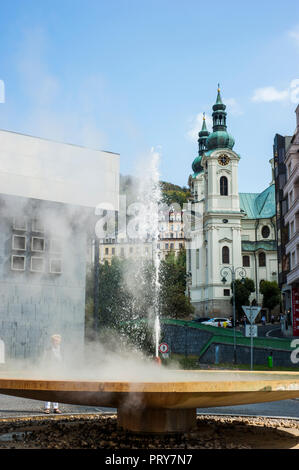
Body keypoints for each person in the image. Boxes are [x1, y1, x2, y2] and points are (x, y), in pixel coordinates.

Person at [44, 334, 62, 414]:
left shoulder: (62, 349)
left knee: (56, 389)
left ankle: (56, 408)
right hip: (49, 370)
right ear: (52, 341)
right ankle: (47, 408)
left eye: (57, 340)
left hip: (58, 370)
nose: (56, 342)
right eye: (54, 340)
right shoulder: (48, 349)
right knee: (48, 389)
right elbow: (44, 359)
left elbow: (64, 359)